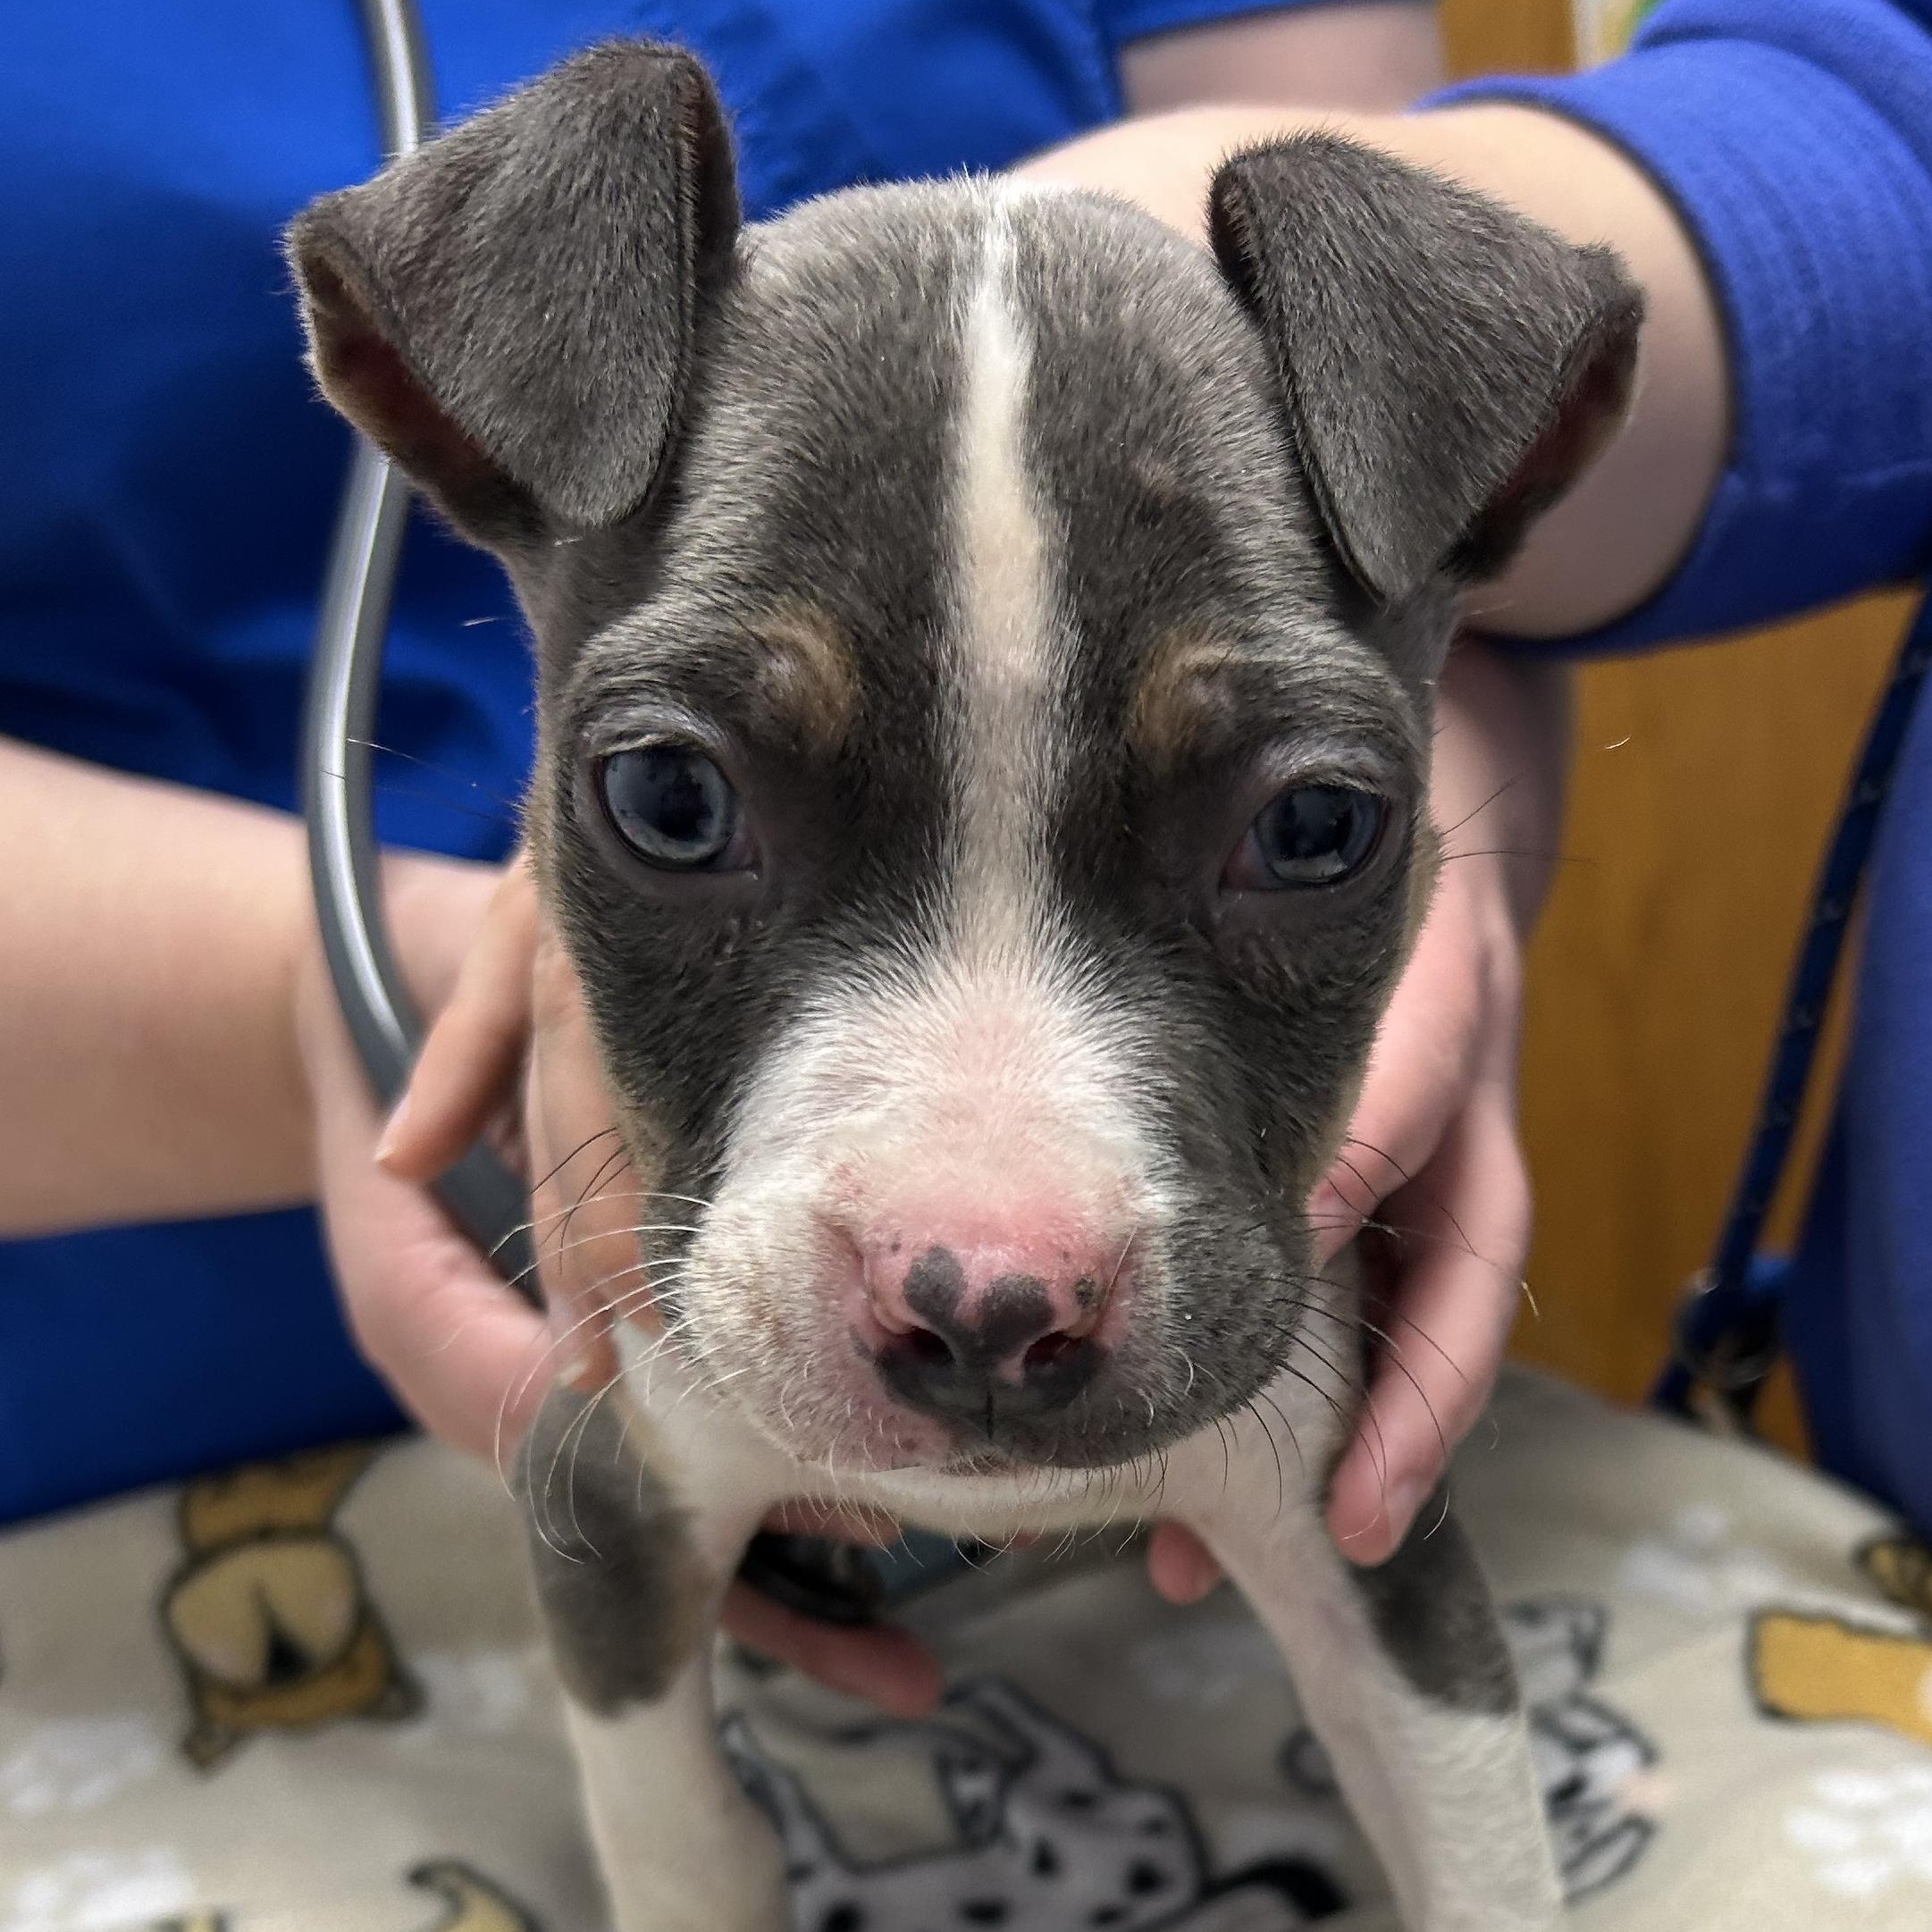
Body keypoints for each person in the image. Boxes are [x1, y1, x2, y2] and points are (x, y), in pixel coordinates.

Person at [5, 0, 1929, 1708]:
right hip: (132, 1480)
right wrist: (375, 1002)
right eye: (677, 807)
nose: (990, 1262)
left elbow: (1420, 567)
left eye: (1309, 829)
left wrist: (1405, 874)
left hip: (1199, 1419)